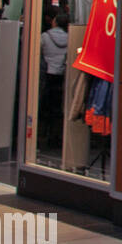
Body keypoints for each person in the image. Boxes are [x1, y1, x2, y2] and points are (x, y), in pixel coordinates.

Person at [40, 10, 70, 152]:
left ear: (55, 22)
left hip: (47, 75)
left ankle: (42, 134)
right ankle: (55, 135)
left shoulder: (44, 36)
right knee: (58, 108)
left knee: (45, 105)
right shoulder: (70, 38)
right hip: (62, 76)